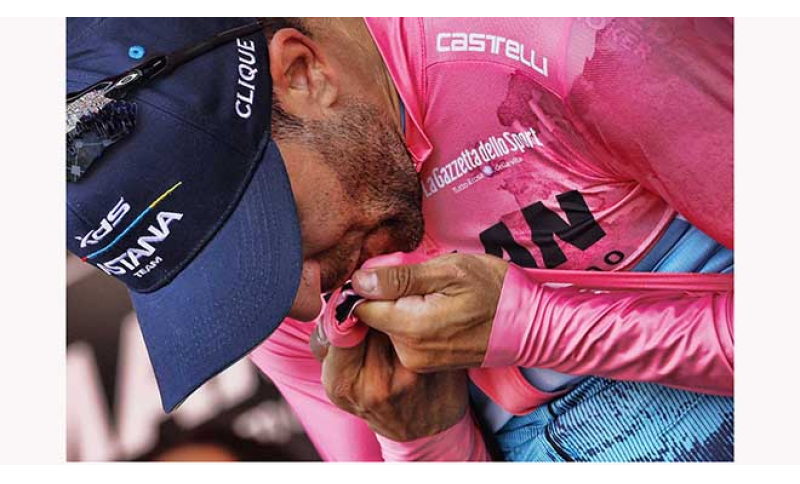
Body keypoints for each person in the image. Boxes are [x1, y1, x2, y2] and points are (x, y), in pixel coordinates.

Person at [66, 17, 733, 462]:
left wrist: (539, 327)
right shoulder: (273, 287)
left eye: (269, 230)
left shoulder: (569, 37)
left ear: (303, 73)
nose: (303, 303)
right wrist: (423, 439)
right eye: (234, 265)